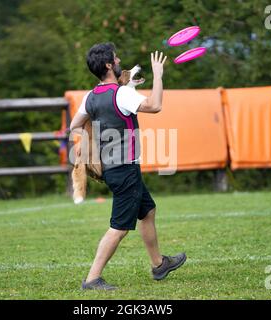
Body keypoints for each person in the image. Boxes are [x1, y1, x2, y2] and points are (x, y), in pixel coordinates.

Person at [69, 42, 186, 290]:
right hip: (124, 169)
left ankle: (159, 264)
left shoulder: (91, 96)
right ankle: (91, 279)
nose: (119, 59)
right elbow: (155, 106)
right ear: (110, 65)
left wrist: (90, 140)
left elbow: (74, 126)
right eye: (116, 57)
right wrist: (158, 75)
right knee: (119, 228)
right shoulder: (121, 94)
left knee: (148, 211)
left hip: (115, 169)